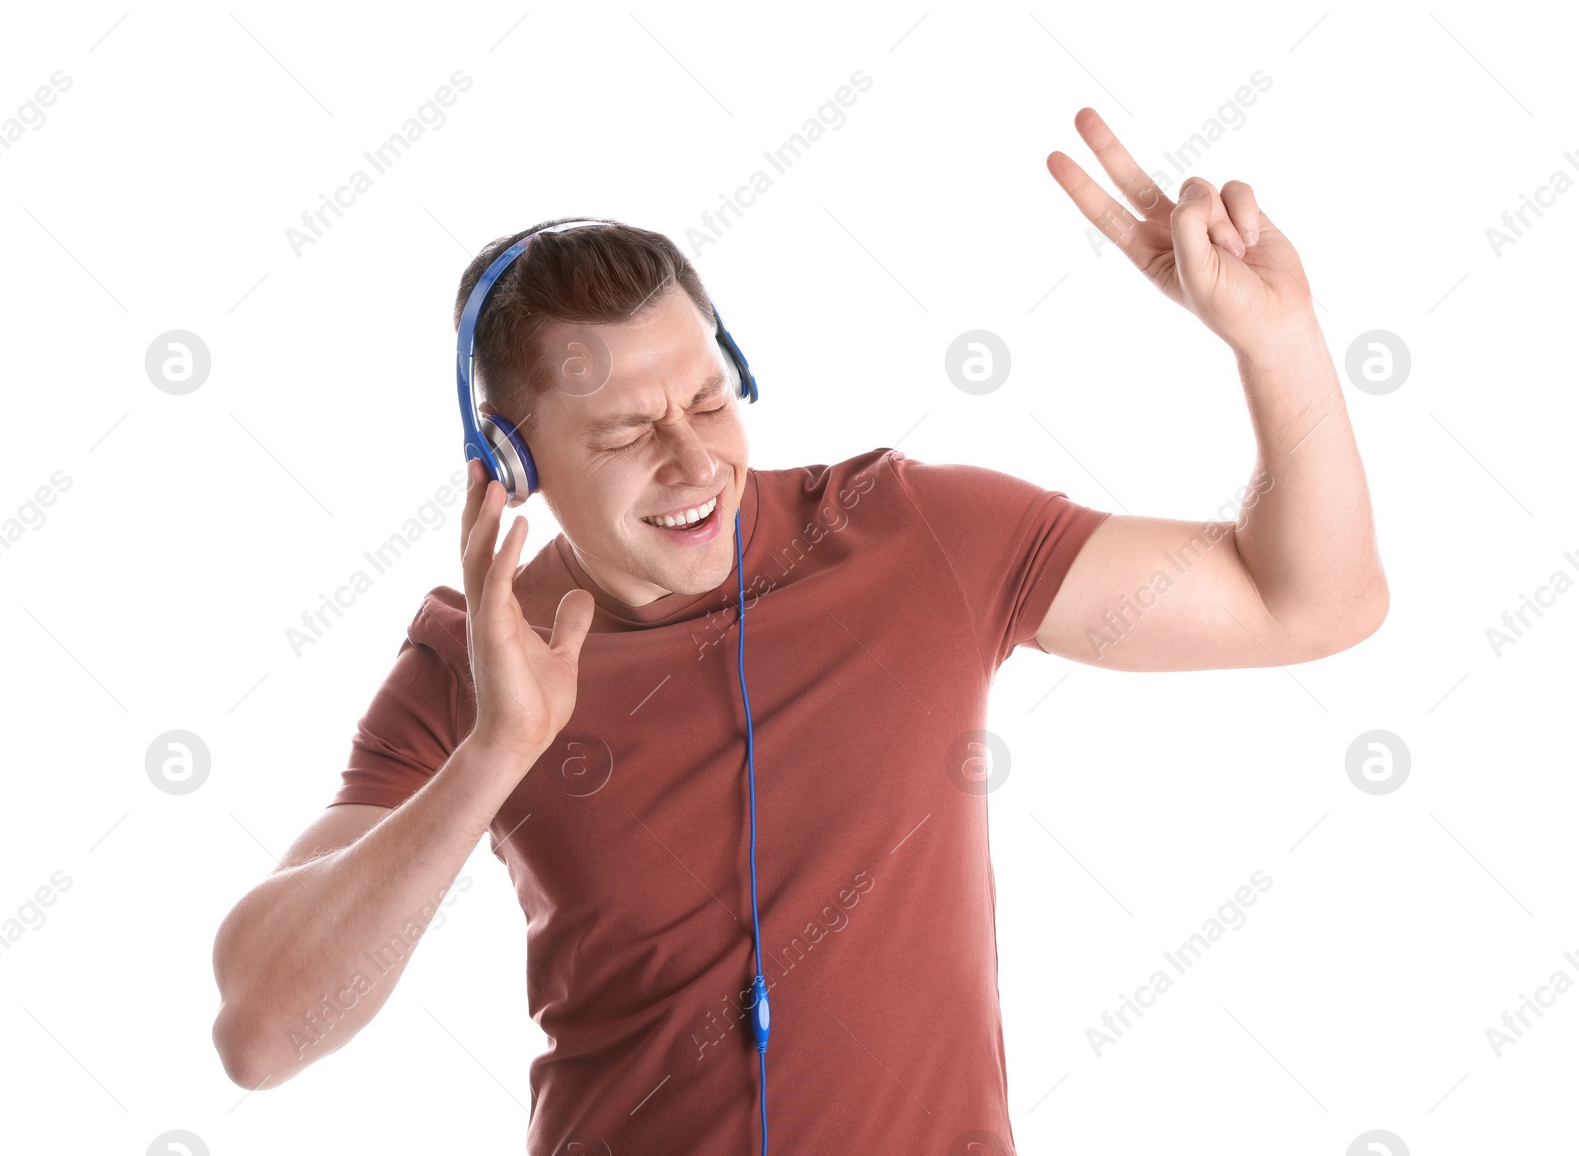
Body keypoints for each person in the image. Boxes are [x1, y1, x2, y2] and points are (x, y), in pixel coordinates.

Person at [210, 108, 1388, 1155]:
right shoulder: (474, 664)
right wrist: (493, 754)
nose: (692, 463)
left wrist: (1275, 343)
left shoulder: (912, 531)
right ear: (509, 464)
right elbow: (262, 1035)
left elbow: (1312, 603)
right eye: (623, 434)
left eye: (710, 400)